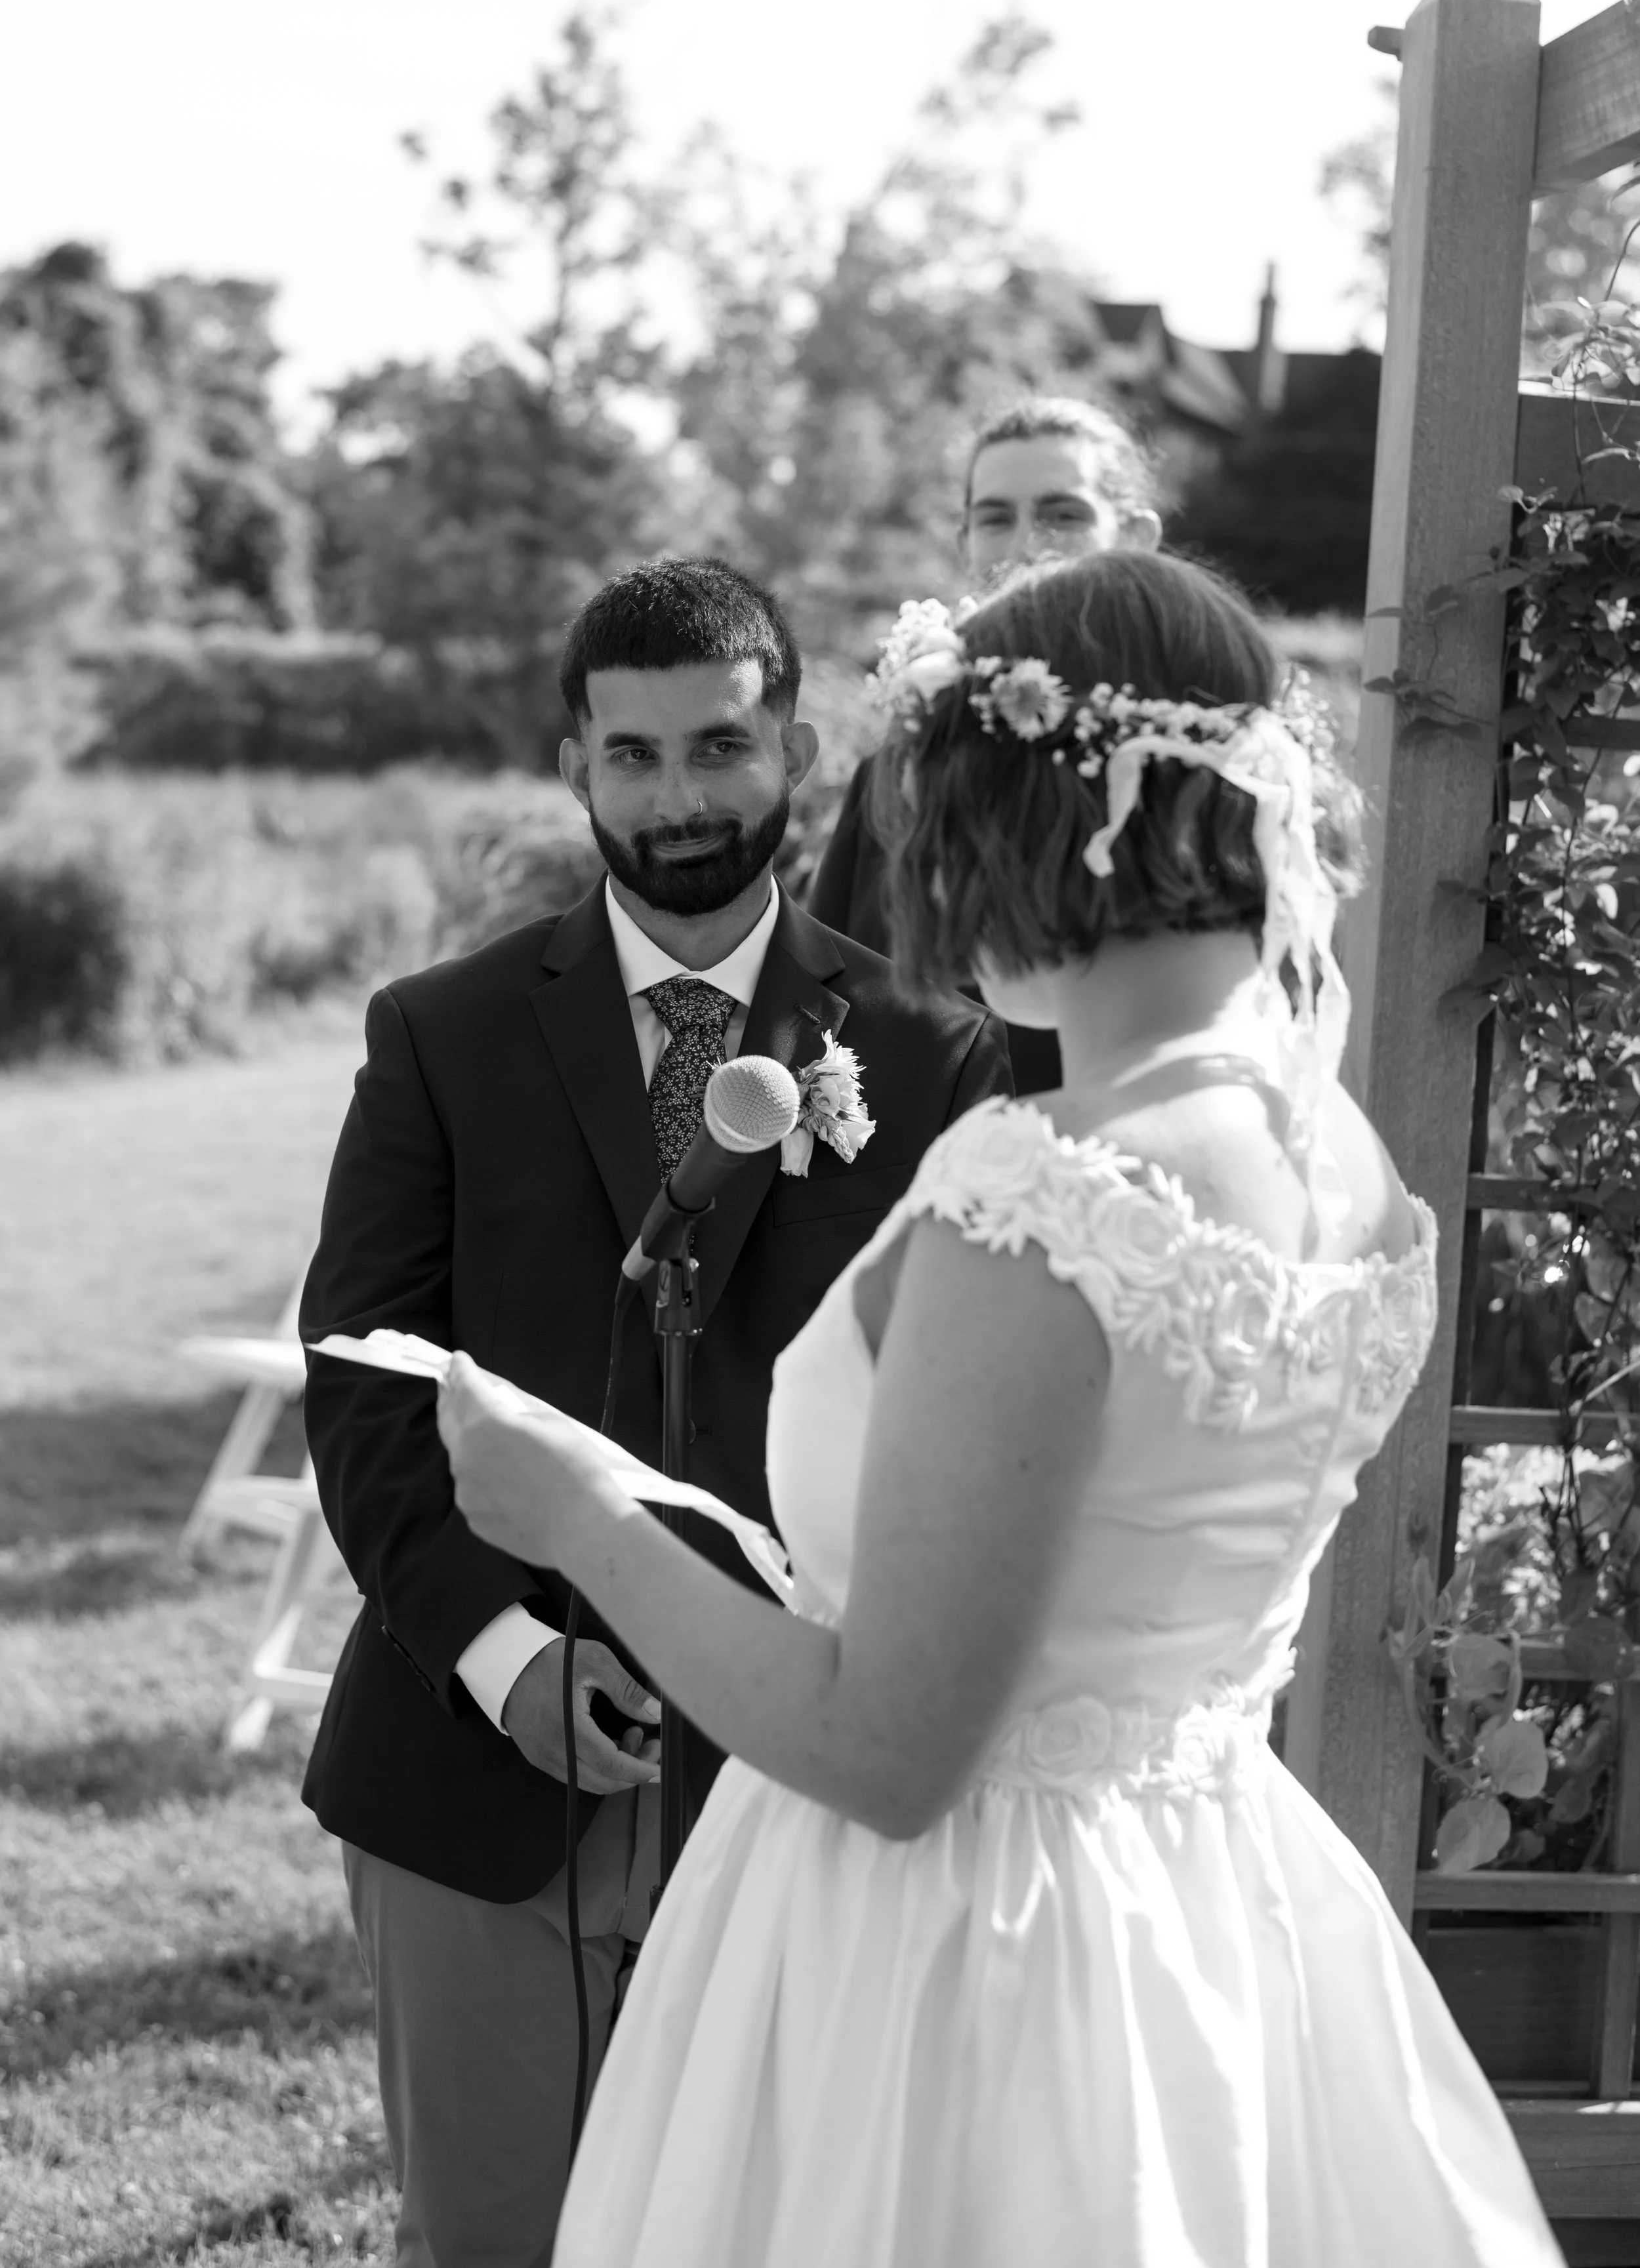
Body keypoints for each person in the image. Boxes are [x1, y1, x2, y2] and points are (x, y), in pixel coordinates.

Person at [440, 548, 1566, 2268]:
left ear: (1013, 820)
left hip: (952, 1958)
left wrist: (581, 1516)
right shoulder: (1330, 1157)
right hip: (1210, 1910)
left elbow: (887, 1750)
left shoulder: (1047, 1198)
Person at [298, 556, 1012, 2268]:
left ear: (799, 749)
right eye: (631, 756)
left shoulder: (934, 1050)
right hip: (474, 1763)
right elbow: (368, 1375)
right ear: (574, 769)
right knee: (486, 2238)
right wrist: (502, 1658)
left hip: (799, 1772)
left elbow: (965, 1413)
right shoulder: (442, 1031)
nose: (676, 797)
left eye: (718, 747)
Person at [806, 394, 1162, 1095]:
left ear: (1135, 537)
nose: (1027, 543)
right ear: (963, 541)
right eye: (995, 517)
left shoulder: (1190, 765)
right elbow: (826, 1005)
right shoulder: (895, 766)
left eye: (1063, 513)